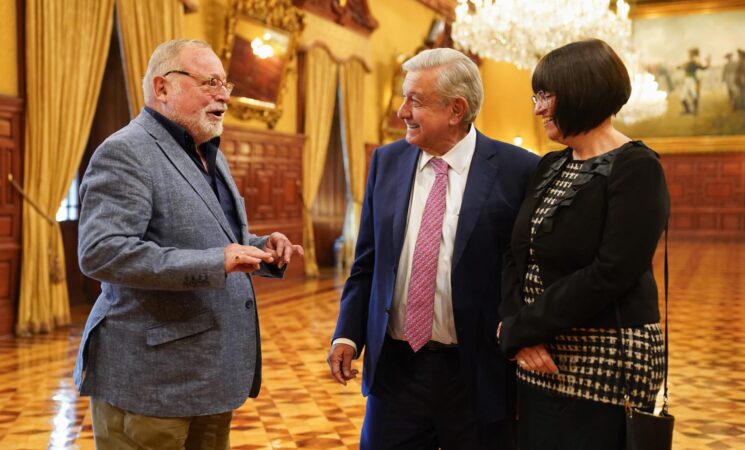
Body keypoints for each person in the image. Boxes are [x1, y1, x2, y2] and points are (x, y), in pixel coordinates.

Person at [73, 39, 303, 449]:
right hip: (153, 380)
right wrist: (217, 261)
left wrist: (262, 247)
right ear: (162, 88)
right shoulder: (126, 152)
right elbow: (102, 252)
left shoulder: (207, 151)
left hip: (209, 374)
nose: (225, 95)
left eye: (225, 83)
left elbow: (216, 238)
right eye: (210, 82)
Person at [327, 48, 538, 449]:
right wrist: (347, 335)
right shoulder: (386, 161)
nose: (401, 111)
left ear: (456, 109)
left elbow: (529, 271)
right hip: (396, 371)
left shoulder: (518, 170)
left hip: (477, 373)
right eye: (404, 97)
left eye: (415, 101)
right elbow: (367, 262)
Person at [497, 39, 670, 450]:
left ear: (582, 92)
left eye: (546, 96)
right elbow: (515, 253)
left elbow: (612, 272)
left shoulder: (637, 167)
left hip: (607, 360)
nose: (537, 108)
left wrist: (521, 327)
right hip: (536, 353)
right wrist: (518, 328)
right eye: (536, 96)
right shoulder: (551, 165)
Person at [677, 47, 710, 115]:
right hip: (687, 80)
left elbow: (704, 68)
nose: (689, 55)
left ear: (693, 55)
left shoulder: (695, 63)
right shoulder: (688, 62)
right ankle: (688, 110)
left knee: (694, 95)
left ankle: (695, 111)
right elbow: (679, 67)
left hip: (692, 80)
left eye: (690, 54)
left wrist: (708, 61)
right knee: (683, 97)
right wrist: (681, 66)